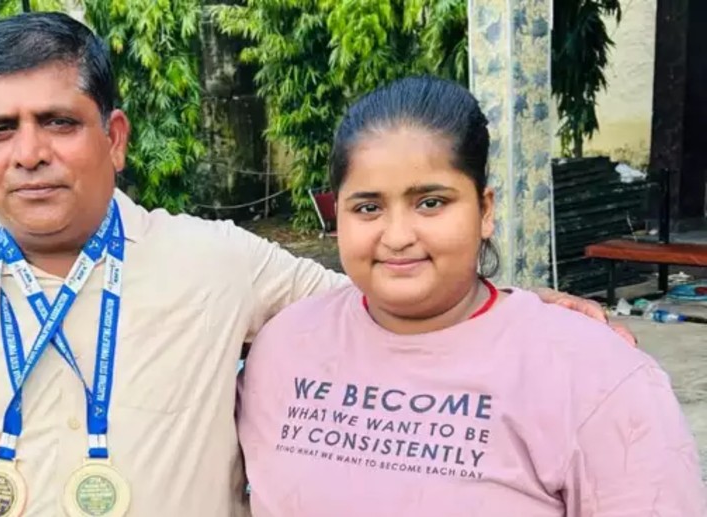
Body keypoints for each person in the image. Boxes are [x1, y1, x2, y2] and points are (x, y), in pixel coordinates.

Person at [0, 12, 635, 517]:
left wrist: (525, 310)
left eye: (59, 121)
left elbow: (391, 291)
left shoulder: (216, 262)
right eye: (2, 129)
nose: (29, 152)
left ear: (116, 137)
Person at [237, 76, 705, 516]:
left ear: (484, 210)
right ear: (337, 214)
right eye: (368, 207)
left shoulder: (597, 376)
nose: (397, 235)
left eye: (431, 203)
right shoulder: (284, 350)